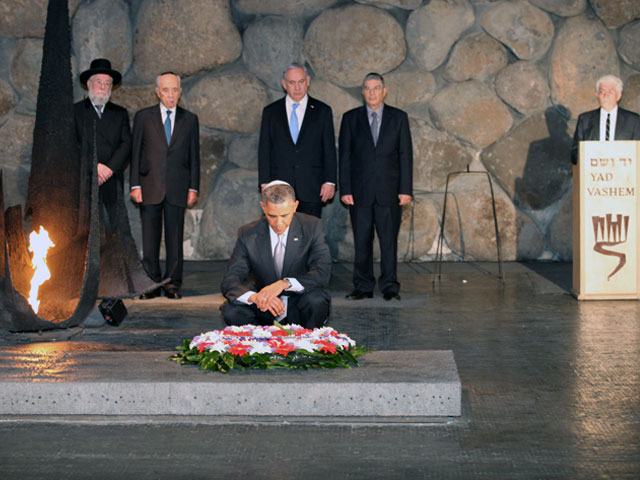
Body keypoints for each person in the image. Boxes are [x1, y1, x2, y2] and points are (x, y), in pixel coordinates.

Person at [339, 72, 413, 301]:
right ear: (362, 91)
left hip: (390, 192)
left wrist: (405, 189)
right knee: (362, 241)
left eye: (376, 88)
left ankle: (390, 286)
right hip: (359, 193)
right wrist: (346, 189)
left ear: (384, 91)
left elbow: (405, 155)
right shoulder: (350, 118)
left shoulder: (399, 118)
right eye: (367, 88)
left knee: (389, 241)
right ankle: (363, 286)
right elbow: (345, 156)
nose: (371, 92)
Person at [220, 181, 331, 329]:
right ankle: (256, 342)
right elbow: (230, 280)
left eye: (285, 215)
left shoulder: (312, 227)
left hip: (299, 304)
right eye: (272, 216)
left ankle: (310, 339)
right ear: (263, 207)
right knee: (231, 310)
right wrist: (256, 298)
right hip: (264, 308)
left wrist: (284, 284)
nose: (279, 223)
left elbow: (322, 273)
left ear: (295, 206)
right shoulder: (248, 233)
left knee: (317, 300)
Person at [130, 72, 200, 300]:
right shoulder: (143, 117)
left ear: (180, 92)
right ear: (158, 92)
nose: (170, 95)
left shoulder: (189, 119)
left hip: (178, 187)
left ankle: (171, 283)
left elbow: (194, 157)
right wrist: (134, 184)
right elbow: (136, 152)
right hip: (149, 185)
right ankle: (151, 283)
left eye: (174, 90)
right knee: (149, 240)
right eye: (166, 90)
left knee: (174, 239)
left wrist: (193, 187)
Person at [74, 58, 131, 327]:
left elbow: (126, 144)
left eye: (107, 83)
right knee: (83, 234)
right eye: (98, 81)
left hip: (110, 182)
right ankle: (80, 285)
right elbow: (70, 144)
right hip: (84, 183)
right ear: (88, 84)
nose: (102, 86)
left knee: (111, 235)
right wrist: (92, 167)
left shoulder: (120, 113)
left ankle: (110, 288)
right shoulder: (75, 112)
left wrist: (108, 169)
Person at [258, 63, 337, 218]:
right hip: (279, 187)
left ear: (307, 81)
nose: (297, 87)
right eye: (292, 83)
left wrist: (330, 181)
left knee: (309, 236)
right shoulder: (271, 112)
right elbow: (264, 149)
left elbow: (328, 148)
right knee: (281, 236)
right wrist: (264, 182)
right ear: (284, 84)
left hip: (312, 186)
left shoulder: (322, 111)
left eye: (301, 81)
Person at [571, 74, 640, 164]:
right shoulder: (585, 120)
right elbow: (574, 154)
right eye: (602, 91)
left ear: (619, 96)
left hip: (624, 175)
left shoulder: (633, 120)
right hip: (593, 174)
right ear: (597, 95)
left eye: (611, 92)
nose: (605, 95)